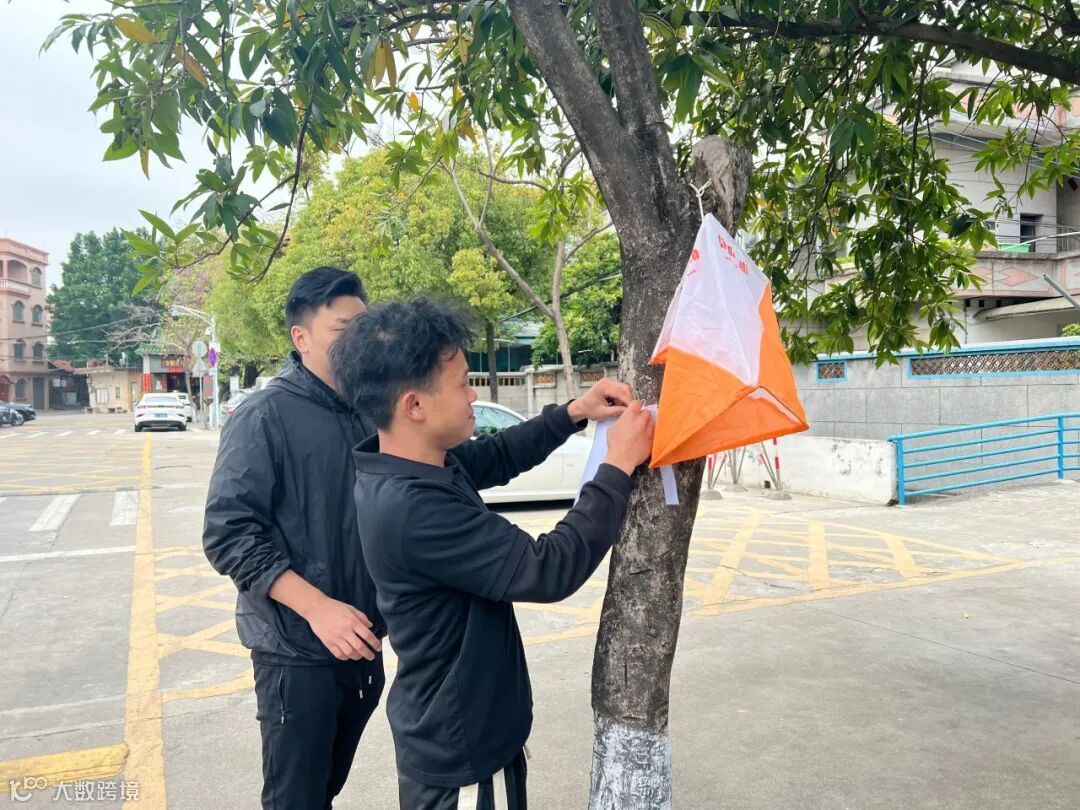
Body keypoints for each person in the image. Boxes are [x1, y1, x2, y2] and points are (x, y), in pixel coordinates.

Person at [330, 298, 655, 810]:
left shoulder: (415, 462)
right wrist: (616, 466)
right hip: (464, 759)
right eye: (462, 384)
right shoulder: (413, 509)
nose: (474, 394)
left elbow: (499, 454)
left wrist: (575, 412)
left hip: (461, 733)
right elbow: (548, 569)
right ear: (414, 406)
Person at [203, 267, 385, 809]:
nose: (358, 341)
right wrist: (318, 609)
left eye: (364, 328)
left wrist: (567, 416)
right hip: (297, 653)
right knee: (296, 798)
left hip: (362, 644)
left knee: (323, 788)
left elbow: (464, 462)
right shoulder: (264, 415)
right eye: (342, 330)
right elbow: (228, 532)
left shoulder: (371, 408)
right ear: (300, 337)